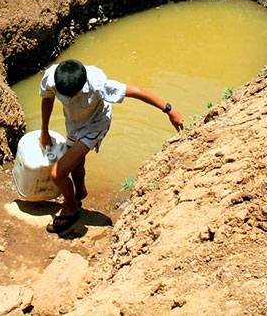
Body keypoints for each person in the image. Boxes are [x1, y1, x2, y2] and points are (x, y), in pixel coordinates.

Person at [39, 58, 184, 233]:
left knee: (58, 174)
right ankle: (80, 193)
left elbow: (137, 91)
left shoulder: (99, 85)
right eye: (65, 95)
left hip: (96, 124)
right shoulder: (51, 78)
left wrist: (169, 110)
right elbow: (47, 99)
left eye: (72, 95)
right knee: (76, 164)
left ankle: (70, 207)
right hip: (74, 122)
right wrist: (44, 131)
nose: (67, 98)